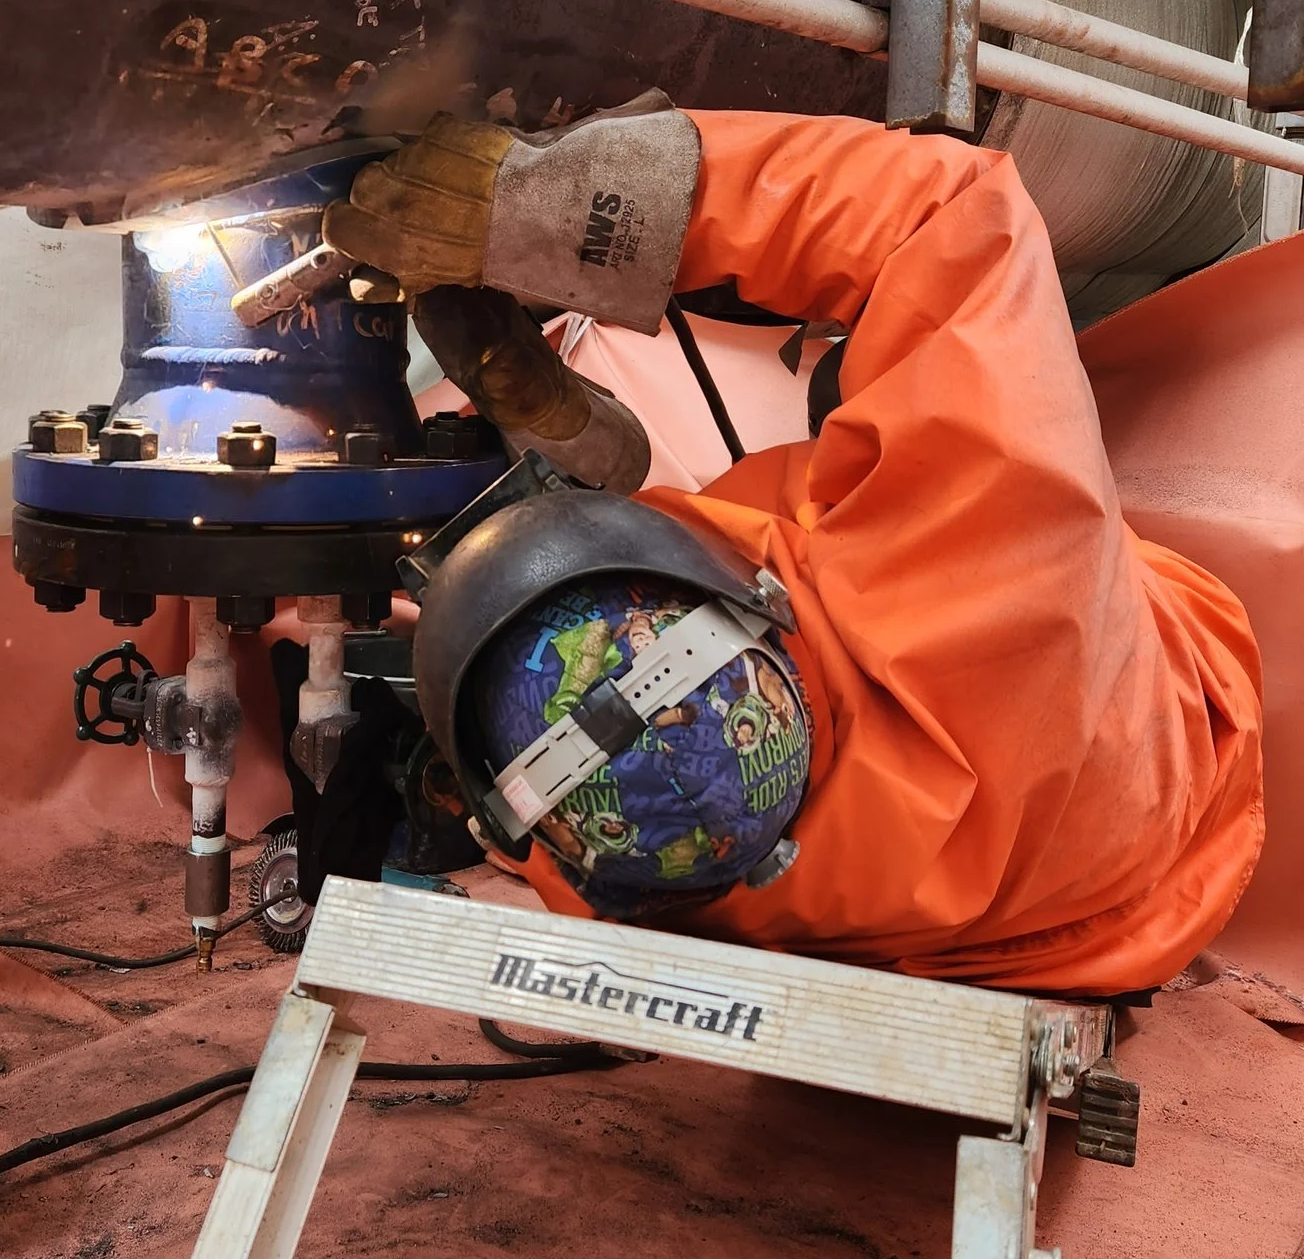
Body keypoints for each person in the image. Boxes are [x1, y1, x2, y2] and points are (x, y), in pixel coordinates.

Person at [321, 96, 1265, 994]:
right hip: (1172, 765)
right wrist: (562, 205)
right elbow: (947, 213)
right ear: (758, 604)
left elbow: (599, 749)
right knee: (870, 399)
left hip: (1044, 920)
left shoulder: (643, 867)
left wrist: (566, 439)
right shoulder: (995, 554)